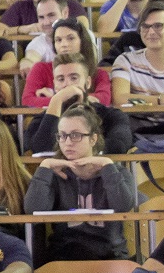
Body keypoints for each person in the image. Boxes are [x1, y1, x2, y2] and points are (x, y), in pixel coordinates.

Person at [24, 104, 136, 262]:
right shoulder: (54, 174)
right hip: (63, 258)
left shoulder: (116, 172)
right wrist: (44, 167)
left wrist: (107, 166)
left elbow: (123, 205)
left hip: (109, 257)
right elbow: (33, 209)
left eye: (75, 135)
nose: (68, 142)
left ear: (93, 138)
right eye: (62, 136)